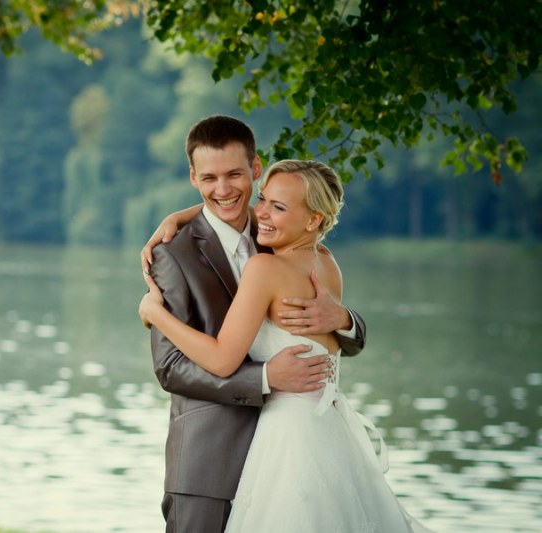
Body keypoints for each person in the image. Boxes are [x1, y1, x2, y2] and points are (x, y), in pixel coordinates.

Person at [140, 158, 434, 532]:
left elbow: (222, 359)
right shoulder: (326, 262)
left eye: (277, 207)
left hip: (289, 438)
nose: (261, 212)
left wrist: (156, 312)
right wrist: (181, 216)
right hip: (329, 432)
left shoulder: (265, 269)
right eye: (262, 198)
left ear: (313, 220)